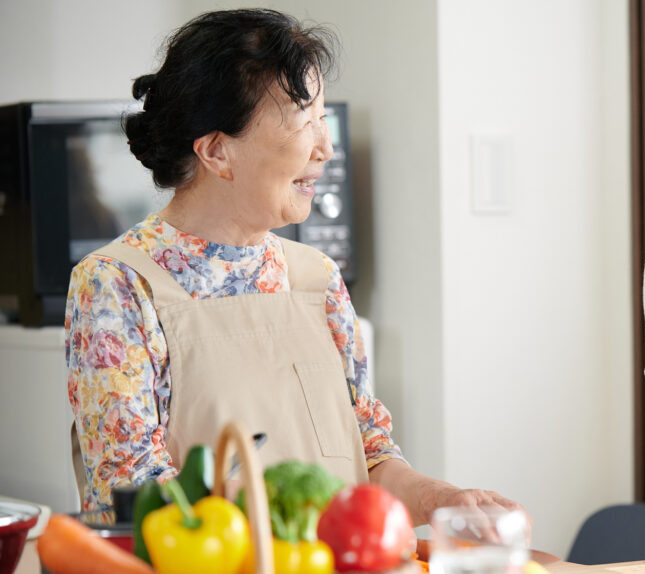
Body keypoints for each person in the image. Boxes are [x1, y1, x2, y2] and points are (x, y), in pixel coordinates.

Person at [65, 8, 522, 527]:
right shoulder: (120, 285)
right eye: (306, 123)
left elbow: (367, 456)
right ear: (217, 150)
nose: (327, 148)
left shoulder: (317, 279)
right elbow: (131, 500)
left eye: (322, 120)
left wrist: (439, 499)